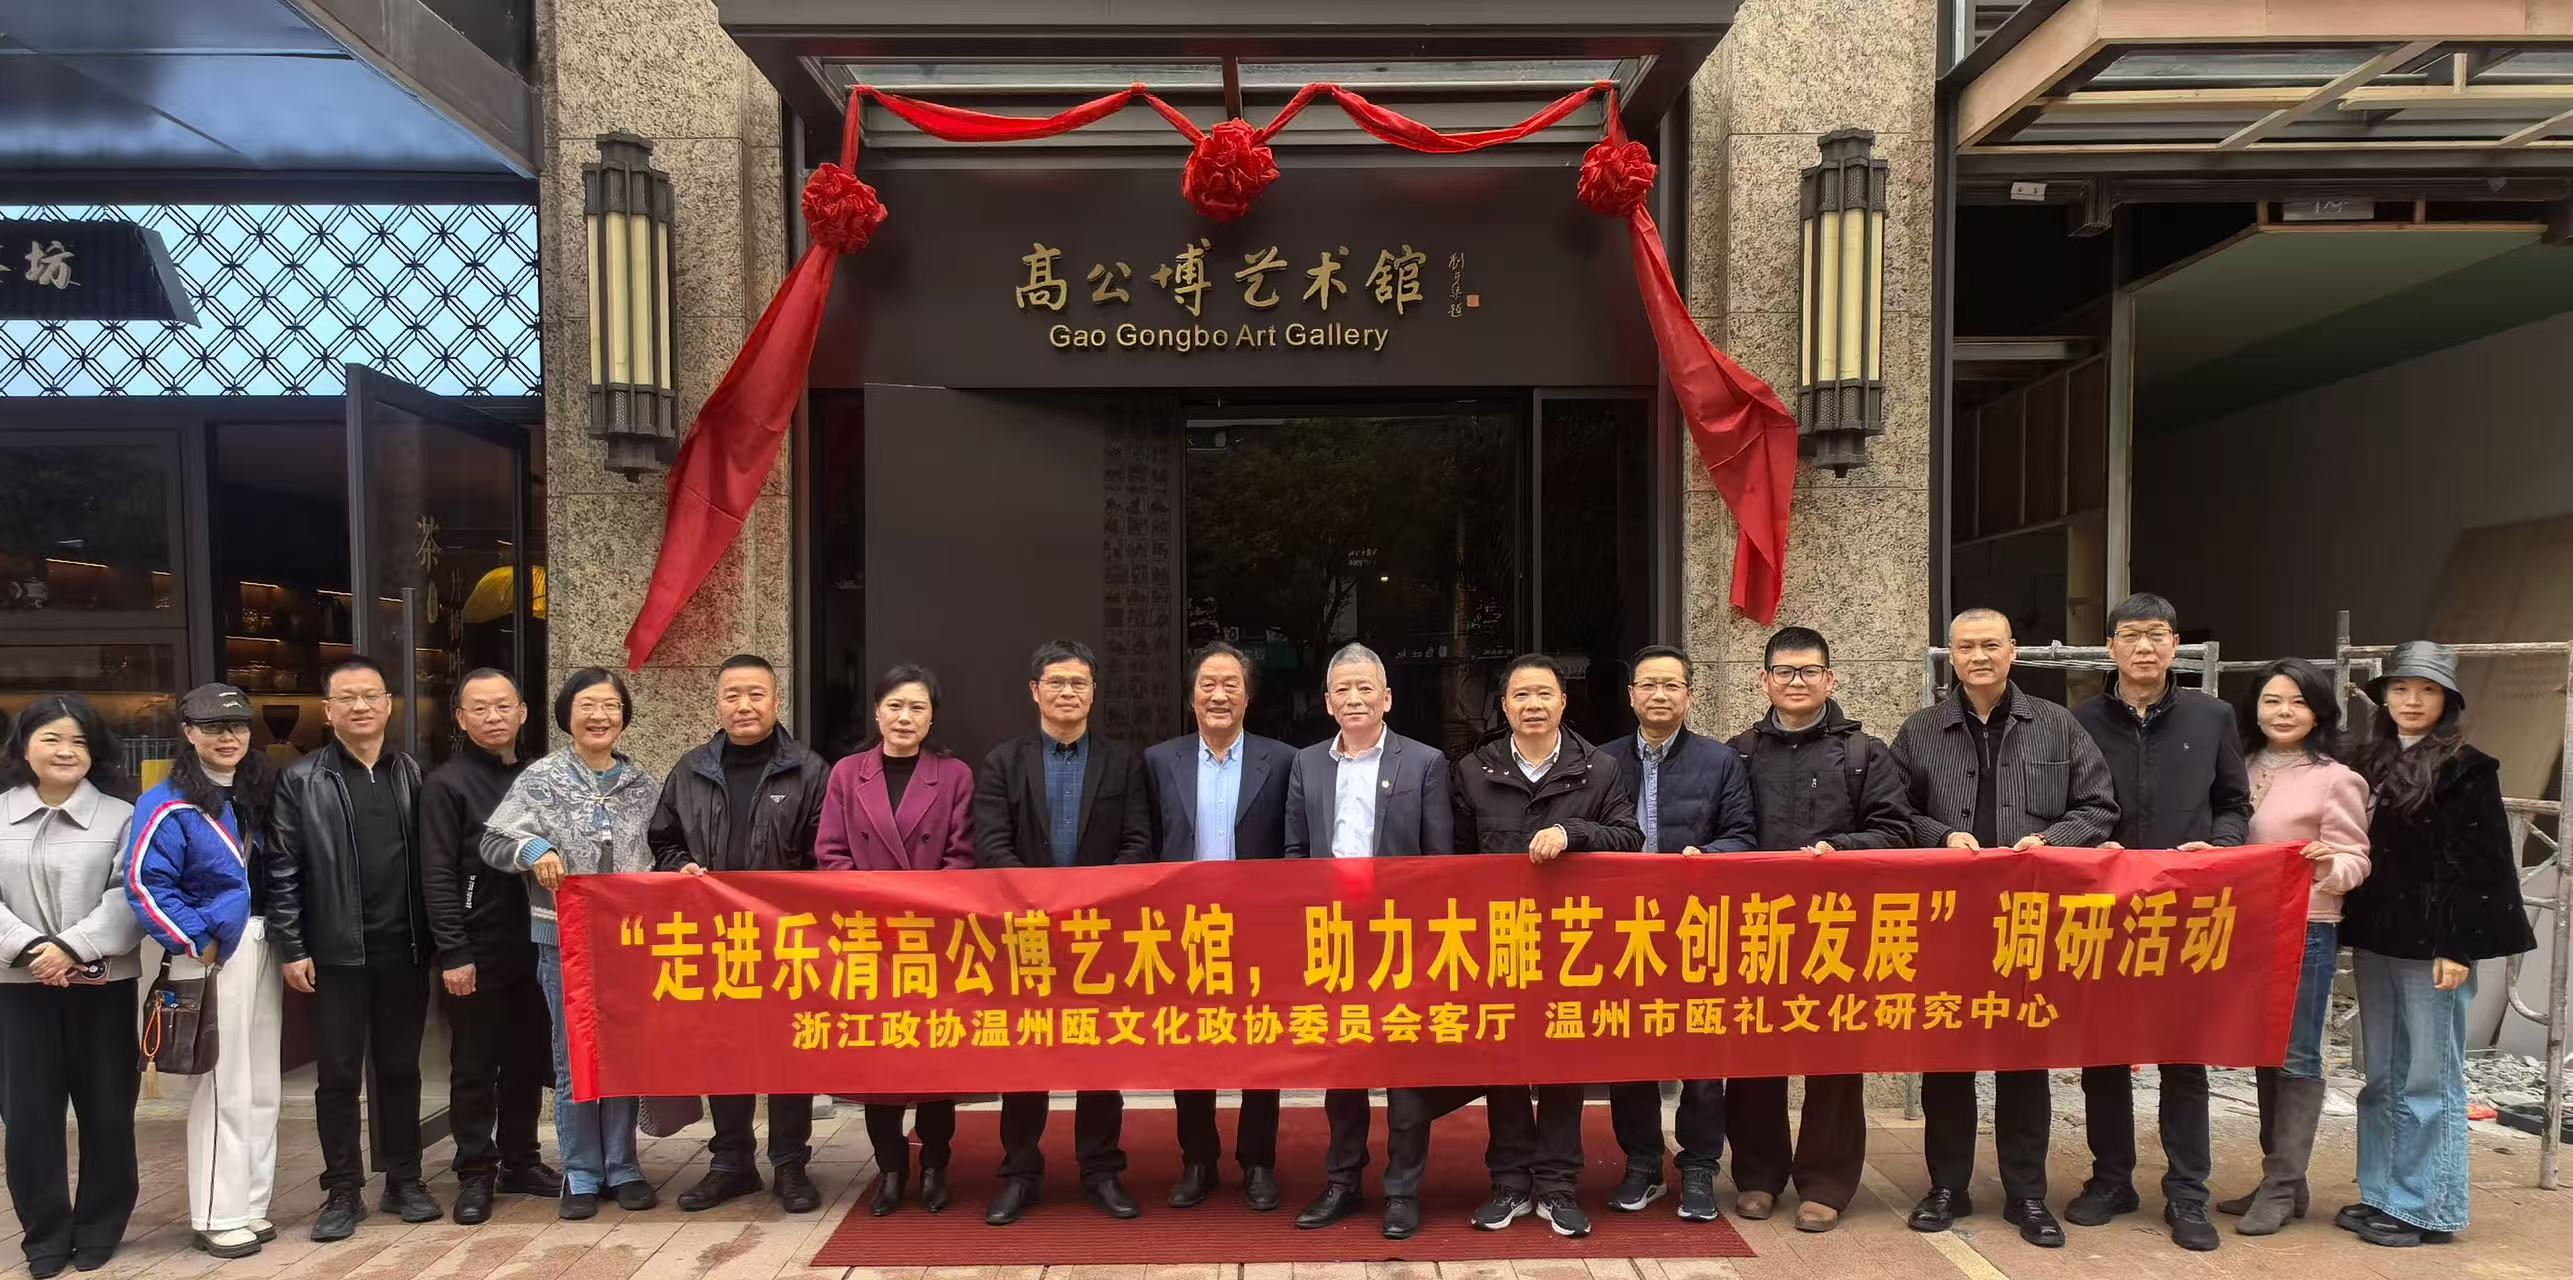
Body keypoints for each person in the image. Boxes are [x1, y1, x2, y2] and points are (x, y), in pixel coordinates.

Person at [1384, 653, 1642, 1243]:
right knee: (1503, 1063)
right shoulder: (1473, 770)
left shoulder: (1599, 769)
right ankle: (1509, 1182)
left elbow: (1631, 836)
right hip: (1498, 942)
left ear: (1563, 702)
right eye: (1521, 695)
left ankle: (1558, 1185)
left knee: (1562, 1066)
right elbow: (1452, 854)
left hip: (1573, 944)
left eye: (1544, 694)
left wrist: (1572, 833)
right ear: (1503, 707)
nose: (1533, 705)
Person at [1888, 608, 2117, 1249]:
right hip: (1949, 919)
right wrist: (1940, 835)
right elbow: (1892, 810)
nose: (1979, 657)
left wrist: (2051, 841)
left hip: (2028, 917)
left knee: (2024, 1056)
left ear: (2013, 651)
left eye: (1991, 645)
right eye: (1966, 647)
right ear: (1951, 656)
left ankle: (2026, 1194)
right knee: (1947, 1057)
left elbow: (2099, 806)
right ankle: (1946, 1187)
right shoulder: (1921, 730)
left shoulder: (2056, 724)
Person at [2068, 593, 2250, 1252]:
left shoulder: (2212, 716)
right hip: (2105, 911)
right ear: (2109, 647)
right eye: (2129, 635)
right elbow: (2067, 804)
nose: (2143, 647)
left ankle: (2186, 1192)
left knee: (2182, 1056)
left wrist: (2219, 849)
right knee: (2103, 1053)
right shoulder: (2079, 721)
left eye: (2156, 635)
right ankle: (2111, 1179)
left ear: (2175, 645)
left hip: (2185, 910)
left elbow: (2233, 803)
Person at [2337, 641, 2533, 1248]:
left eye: (2427, 691)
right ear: (2385, 697)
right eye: (2401, 689)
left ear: (2447, 701)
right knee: (2381, 1075)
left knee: (2429, 1078)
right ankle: (2383, 1193)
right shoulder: (2367, 761)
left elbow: (2479, 863)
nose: (2412, 701)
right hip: (2379, 937)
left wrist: (2458, 945)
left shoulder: (2467, 770)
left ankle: (2428, 1207)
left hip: (2435, 946)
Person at [1721, 627, 1915, 1233]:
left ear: (1830, 679)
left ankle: (1826, 1183)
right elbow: (1724, 829)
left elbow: (1897, 831)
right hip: (1757, 927)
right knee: (1753, 1052)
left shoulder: (1864, 753)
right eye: (1784, 671)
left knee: (1833, 1055)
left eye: (1809, 671)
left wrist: (1841, 849)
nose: (1796, 682)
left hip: (1839, 926)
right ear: (1764, 681)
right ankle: (1757, 1176)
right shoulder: (1739, 753)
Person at [972, 639, 1153, 1225]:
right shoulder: (1002, 762)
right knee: (1025, 1055)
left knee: (1100, 1053)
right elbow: (991, 845)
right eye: (1056, 682)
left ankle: (1101, 1170)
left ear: (1093, 693)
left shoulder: (1123, 763)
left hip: (1099, 932)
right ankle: (1019, 1173)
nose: (1068, 692)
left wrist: (1091, 903)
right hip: (1025, 932)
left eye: (1079, 683)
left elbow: (1138, 844)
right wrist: (1039, 904)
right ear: (1035, 691)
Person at [649, 653, 831, 1215]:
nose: (744, 705)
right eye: (732, 695)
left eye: (755, 694)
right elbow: (663, 840)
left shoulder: (809, 770)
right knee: (724, 1047)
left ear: (777, 701)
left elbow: (826, 853)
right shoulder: (690, 769)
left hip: (786, 939)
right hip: (714, 938)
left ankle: (790, 1163)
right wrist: (679, 867)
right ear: (717, 704)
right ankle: (732, 1162)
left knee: (788, 1049)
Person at [1282, 642, 1454, 1231]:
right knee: (1344, 1067)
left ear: (1387, 698)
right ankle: (1342, 1181)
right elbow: (1295, 850)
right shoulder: (1306, 763)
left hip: (1402, 937)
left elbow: (1439, 860)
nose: (1354, 699)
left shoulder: (1425, 762)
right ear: (1328, 703)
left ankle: (1402, 1190)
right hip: (1333, 938)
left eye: (1365, 688)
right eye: (1343, 690)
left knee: (1405, 1070)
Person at [480, 668, 664, 1219]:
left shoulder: (644, 786)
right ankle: (581, 1171)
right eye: (587, 705)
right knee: (574, 1056)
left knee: (623, 1055)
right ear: (566, 715)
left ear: (625, 716)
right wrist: (534, 850)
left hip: (628, 943)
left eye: (610, 706)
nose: (599, 716)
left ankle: (623, 1166)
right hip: (564, 942)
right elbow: (495, 839)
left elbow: (664, 848)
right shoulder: (541, 779)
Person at [269, 655, 439, 1239]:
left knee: (400, 1069)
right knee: (339, 1076)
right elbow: (282, 868)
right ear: (328, 710)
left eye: (371, 695)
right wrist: (292, 946)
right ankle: (342, 1188)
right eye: (348, 698)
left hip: (403, 950)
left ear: (388, 704)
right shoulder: (302, 779)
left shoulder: (412, 774)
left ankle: (404, 1179)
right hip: (335, 953)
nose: (361, 706)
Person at [125, 685, 285, 1259]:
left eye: (237, 725)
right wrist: (197, 939)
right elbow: (145, 883)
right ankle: (219, 1213)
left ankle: (253, 1203)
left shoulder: (258, 789)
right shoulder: (167, 801)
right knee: (223, 1086)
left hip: (265, 942)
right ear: (189, 732)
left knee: (262, 1084)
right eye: (213, 727)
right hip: (214, 953)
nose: (228, 737)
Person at [1596, 643, 1754, 1222]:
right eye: (1648, 685)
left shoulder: (1721, 761)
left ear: (1689, 695)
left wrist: (1707, 857)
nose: (1659, 695)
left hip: (1695, 926)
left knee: (1702, 1054)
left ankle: (1699, 1167)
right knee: (1627, 1054)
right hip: (1622, 930)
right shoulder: (1602, 761)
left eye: (1671, 685)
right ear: (1631, 695)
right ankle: (1641, 1162)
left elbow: (1743, 834)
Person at [2214, 657, 2369, 1236]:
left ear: (2319, 712)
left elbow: (2356, 859)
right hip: (2244, 928)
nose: (2284, 712)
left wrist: (2329, 865)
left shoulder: (2335, 778)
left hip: (2306, 928)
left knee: (2297, 1055)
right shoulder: (2239, 767)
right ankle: (2282, 1180)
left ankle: (2281, 1186)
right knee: (2263, 1050)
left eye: (2298, 702)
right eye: (2273, 701)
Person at [815, 664, 976, 1217]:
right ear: (877, 712)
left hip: (932, 938)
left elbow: (962, 855)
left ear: (932, 718)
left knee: (935, 1059)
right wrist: (874, 902)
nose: (905, 718)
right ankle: (889, 1168)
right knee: (878, 1060)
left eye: (917, 708)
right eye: (895, 706)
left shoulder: (954, 775)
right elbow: (830, 852)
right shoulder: (846, 774)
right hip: (868, 938)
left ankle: (935, 1164)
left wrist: (923, 906)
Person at [1143, 641, 1296, 1213]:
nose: (1219, 694)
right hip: (1183, 928)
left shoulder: (1282, 761)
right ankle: (1198, 1159)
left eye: (1231, 684)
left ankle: (1258, 1161)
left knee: (1262, 1045)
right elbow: (1148, 842)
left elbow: (1293, 843)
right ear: (1191, 697)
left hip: (1258, 926)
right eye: (1208, 684)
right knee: (1191, 1044)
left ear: (1248, 697)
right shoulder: (1160, 761)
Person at [0, 695, 141, 1278]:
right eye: (52, 739)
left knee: (108, 1111)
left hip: (100, 986)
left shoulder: (121, 816)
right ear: (23, 746)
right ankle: (45, 1236)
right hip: (18, 985)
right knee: (28, 1116)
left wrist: (72, 948)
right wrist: (34, 950)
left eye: (79, 741)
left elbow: (131, 895)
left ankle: (101, 1226)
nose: (67, 751)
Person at [418, 669, 561, 1224]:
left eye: (503, 706)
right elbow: (437, 874)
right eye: (479, 708)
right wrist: (453, 951)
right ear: (461, 718)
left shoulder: (539, 776)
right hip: (477, 947)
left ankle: (521, 1158)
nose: (493, 716)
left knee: (526, 1058)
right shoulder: (447, 784)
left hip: (536, 943)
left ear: (522, 712)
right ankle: (475, 1170)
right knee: (474, 1064)